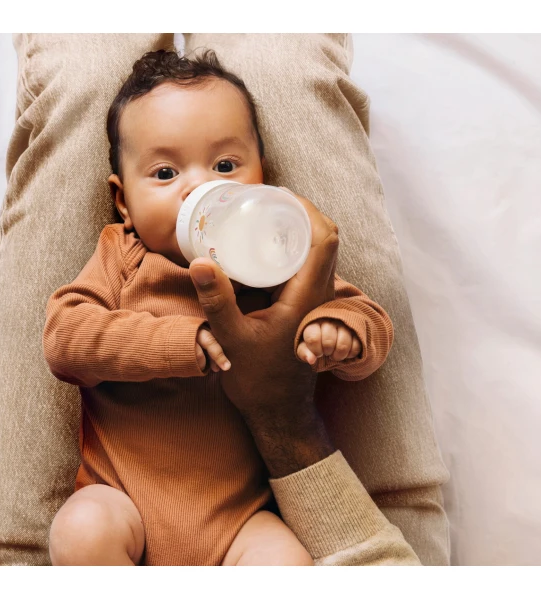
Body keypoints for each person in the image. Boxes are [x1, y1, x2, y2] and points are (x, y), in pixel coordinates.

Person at [42, 49, 394, 566]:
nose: (202, 186)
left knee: (286, 565)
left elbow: (372, 321)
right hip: (123, 501)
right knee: (81, 530)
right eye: (165, 172)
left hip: (240, 522)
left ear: (262, 178)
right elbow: (65, 338)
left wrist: (338, 330)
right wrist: (180, 343)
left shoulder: (272, 258)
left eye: (226, 166)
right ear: (123, 203)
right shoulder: (122, 256)